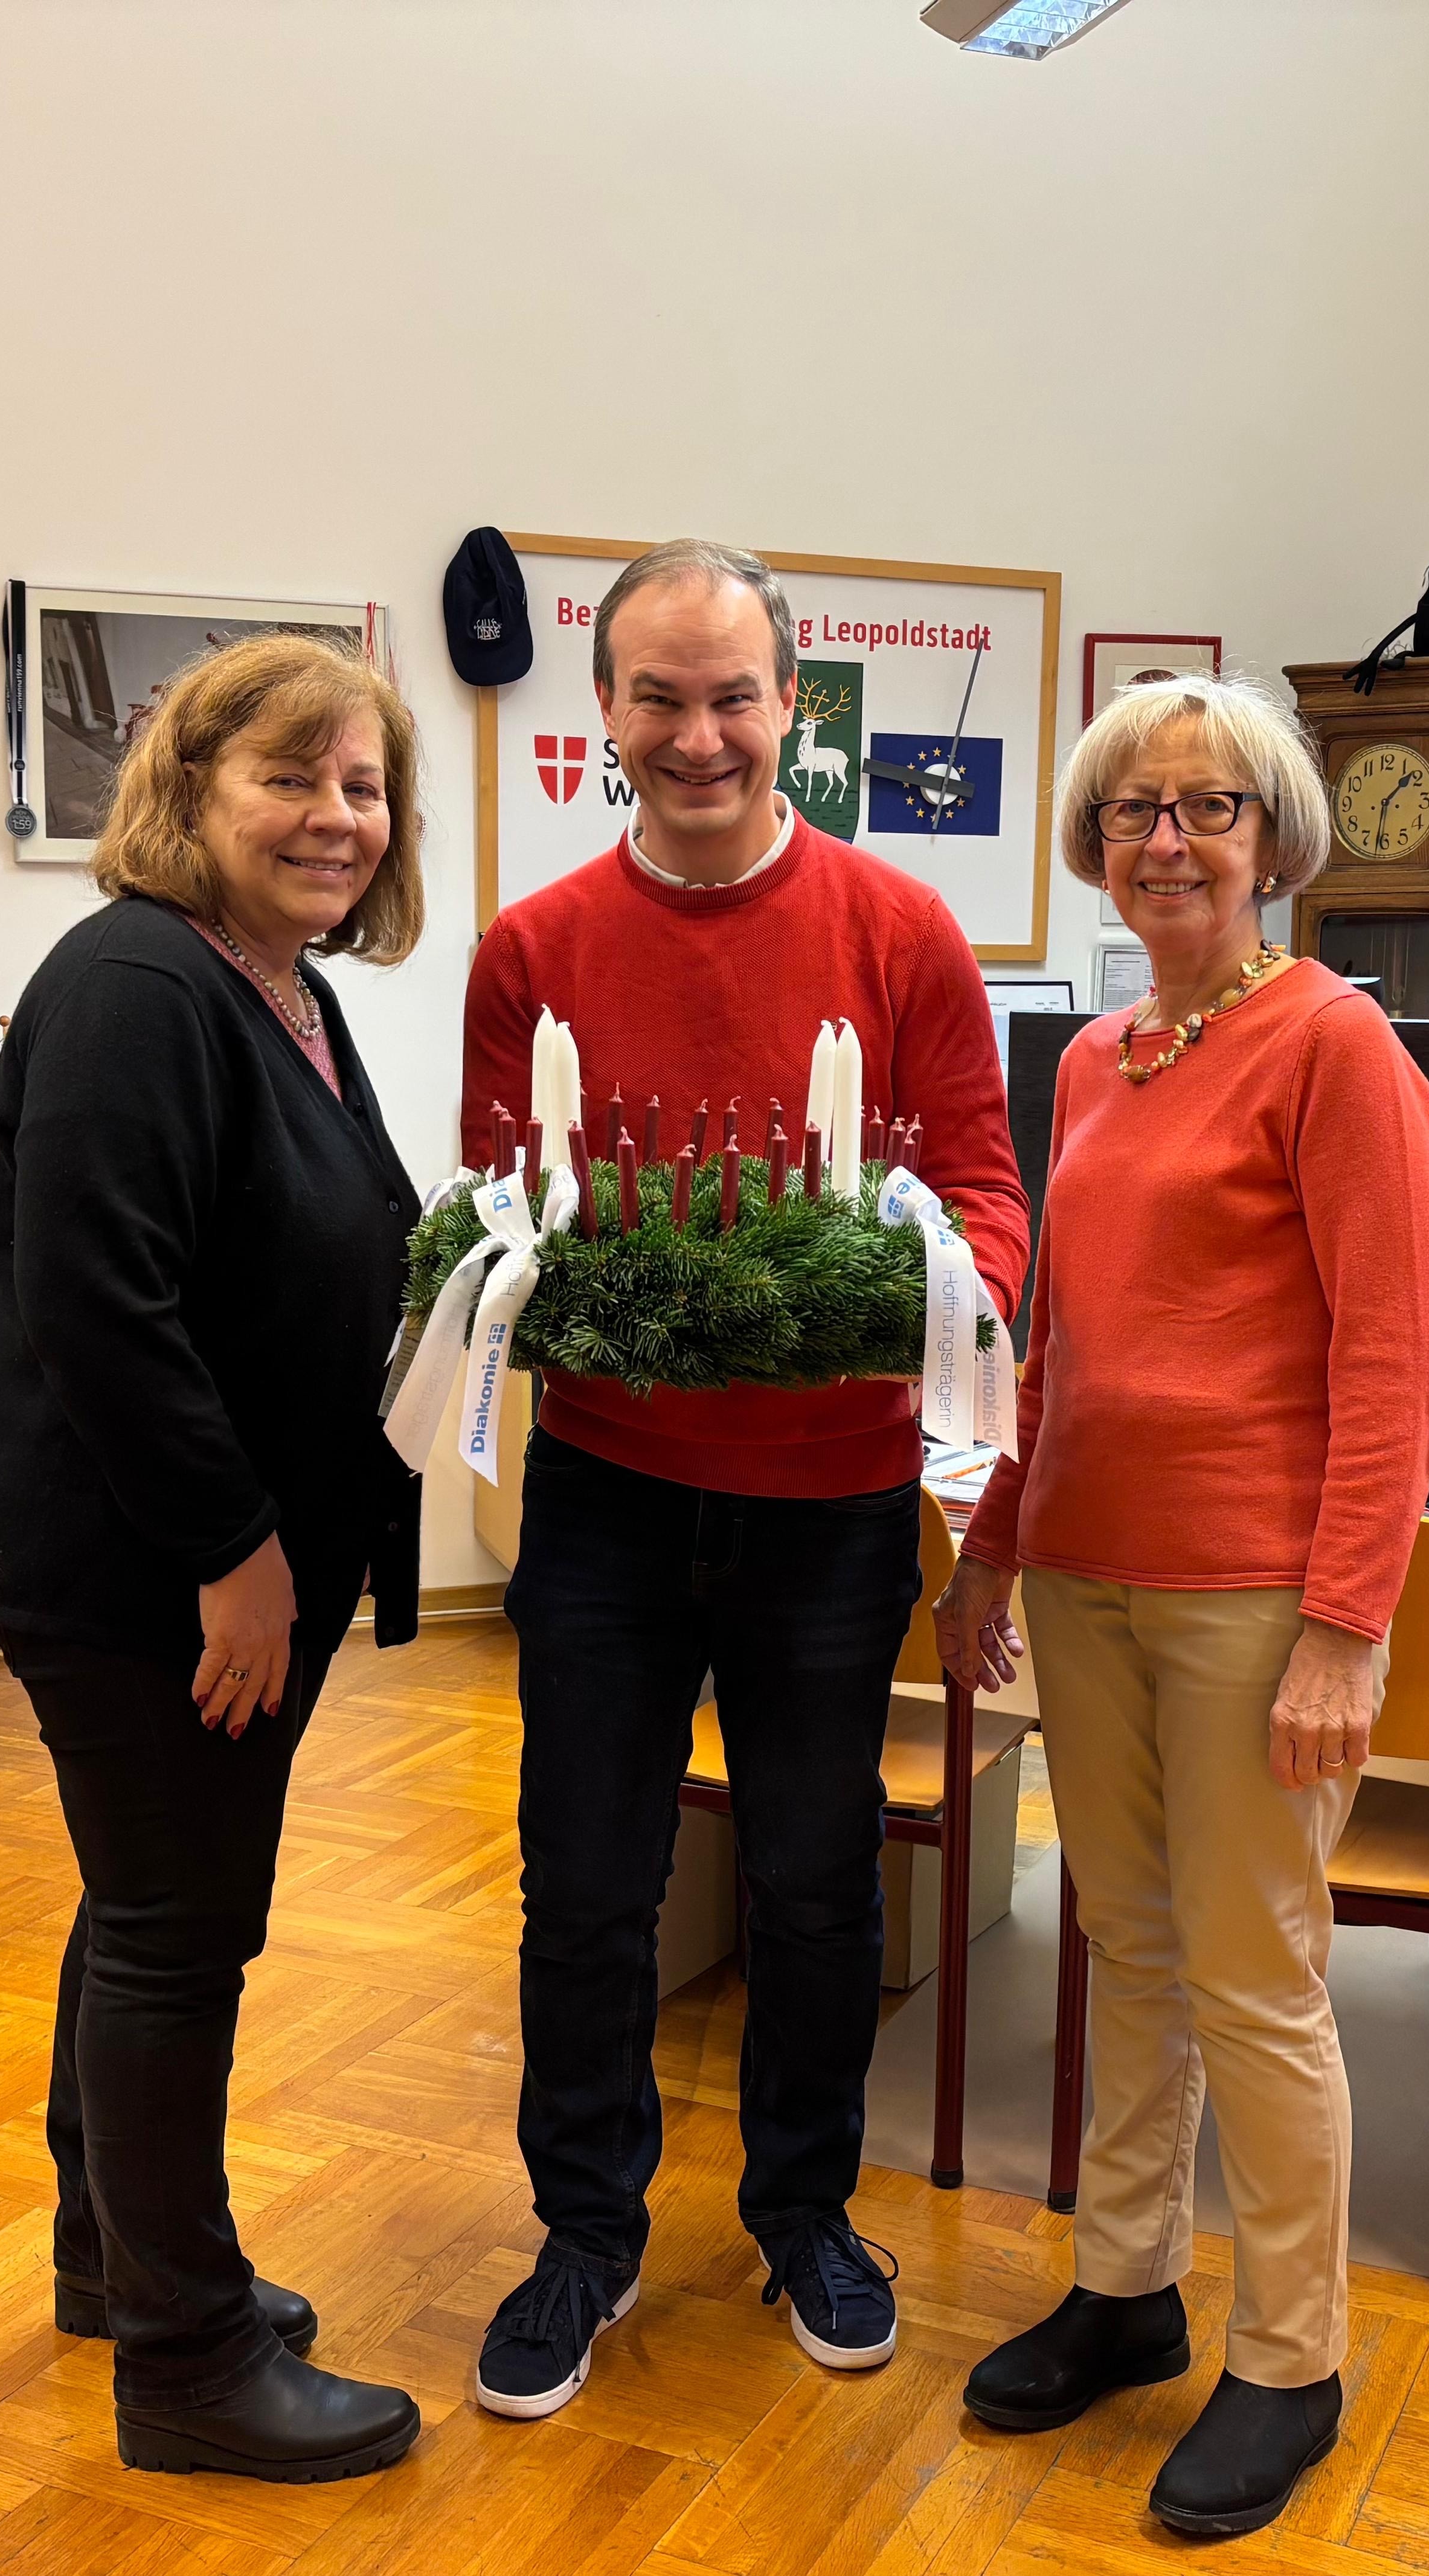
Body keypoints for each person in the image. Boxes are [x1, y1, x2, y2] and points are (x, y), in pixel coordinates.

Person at [458, 538, 1028, 2418]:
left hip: (832, 1503)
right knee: (584, 1882)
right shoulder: (532, 950)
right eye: (658, 697)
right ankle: (585, 2227)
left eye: (731, 697)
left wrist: (928, 1298)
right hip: (607, 1497)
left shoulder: (902, 931)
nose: (697, 735)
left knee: (812, 1883)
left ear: (792, 702)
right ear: (603, 711)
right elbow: (501, 1203)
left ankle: (802, 2210)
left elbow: (984, 1192)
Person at [934, 673, 1429, 2542]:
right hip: (1086, 1571)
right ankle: (1127, 2284)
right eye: (1133, 809)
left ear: (1271, 838)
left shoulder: (1335, 1046)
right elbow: (1056, 1344)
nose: (1166, 839)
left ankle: (1291, 2357)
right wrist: (992, 1541)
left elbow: (1400, 1361)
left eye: (1207, 806)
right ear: (1097, 843)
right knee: (1129, 1950)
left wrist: (1346, 1624)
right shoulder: (1096, 1059)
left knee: (1253, 1976)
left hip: (1250, 1591)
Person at [0, 634, 428, 2485]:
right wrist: (236, 1549)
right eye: (288, 777)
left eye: (362, 785)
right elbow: (99, 1301)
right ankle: (187, 2360)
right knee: (177, 1931)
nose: (334, 817)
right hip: (148, 1569)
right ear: (189, 789)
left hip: (199, 1554)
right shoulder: (139, 981)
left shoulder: (275, 982)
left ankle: (117, 2259)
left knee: (141, 1906)